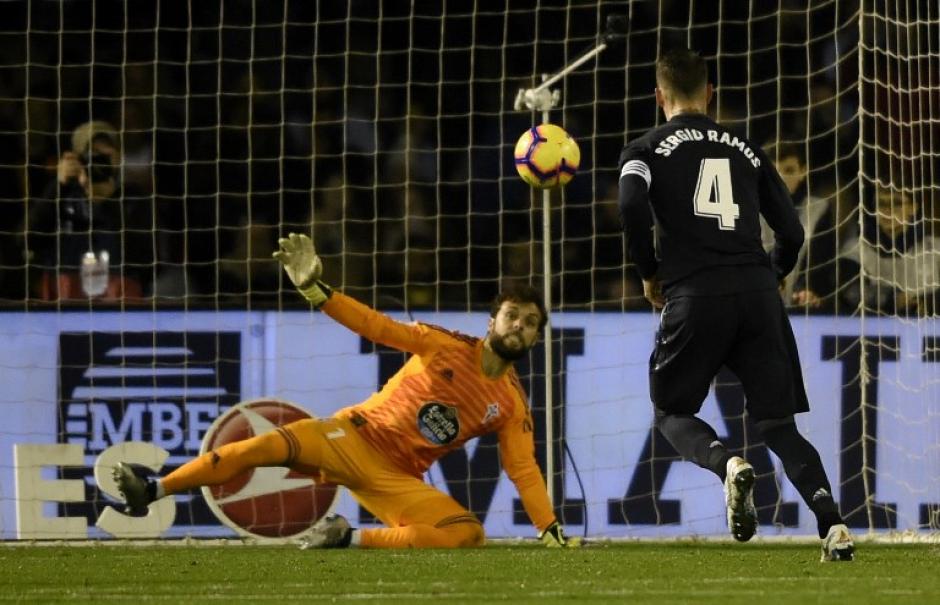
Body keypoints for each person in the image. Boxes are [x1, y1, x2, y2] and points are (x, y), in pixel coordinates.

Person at [113, 233, 578, 549]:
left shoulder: (511, 404)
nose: (519, 326)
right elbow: (376, 326)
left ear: (537, 338)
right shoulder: (443, 345)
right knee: (258, 447)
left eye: (530, 323)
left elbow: (522, 468)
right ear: (492, 320)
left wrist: (548, 529)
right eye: (513, 315)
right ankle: (152, 490)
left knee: (466, 534)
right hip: (351, 435)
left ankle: (348, 538)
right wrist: (319, 292)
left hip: (395, 479)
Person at [617, 48, 854, 561]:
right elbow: (789, 228)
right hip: (756, 294)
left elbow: (632, 203)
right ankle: (833, 524)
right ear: (711, 94)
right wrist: (774, 272)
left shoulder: (644, 149)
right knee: (779, 425)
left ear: (659, 96)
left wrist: (647, 271)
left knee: (672, 411)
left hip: (694, 294)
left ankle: (727, 464)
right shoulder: (745, 147)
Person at [26, 120, 153, 301]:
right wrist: (58, 187)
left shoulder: (132, 197)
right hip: (65, 296)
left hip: (118, 299)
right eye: (91, 153)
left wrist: (110, 202)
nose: (97, 160)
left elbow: (146, 258)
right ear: (76, 159)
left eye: (105, 153)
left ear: (118, 157)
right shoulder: (61, 196)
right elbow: (27, 239)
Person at [759, 141, 839, 310]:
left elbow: (821, 260)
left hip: (799, 309)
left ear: (803, 171)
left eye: (788, 170)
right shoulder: (746, 208)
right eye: (773, 170)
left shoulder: (818, 208)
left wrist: (805, 289)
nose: (780, 177)